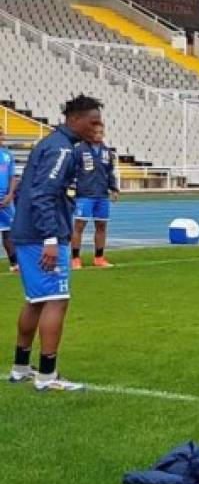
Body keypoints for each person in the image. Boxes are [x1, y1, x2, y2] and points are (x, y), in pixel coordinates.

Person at [8, 94, 103, 391]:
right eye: (93, 122)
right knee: (57, 299)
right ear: (74, 120)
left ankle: (21, 367)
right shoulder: (60, 150)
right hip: (42, 235)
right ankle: (47, 375)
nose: (98, 127)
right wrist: (50, 238)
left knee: (35, 300)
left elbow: (32, 189)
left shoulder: (56, 145)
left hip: (27, 232)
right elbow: (43, 194)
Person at [70, 124, 118, 269]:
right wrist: (71, 190)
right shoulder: (79, 150)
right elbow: (71, 171)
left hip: (102, 195)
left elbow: (109, 172)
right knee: (79, 226)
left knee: (102, 226)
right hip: (84, 195)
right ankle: (75, 259)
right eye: (95, 132)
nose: (99, 135)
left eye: (101, 132)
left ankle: (99, 257)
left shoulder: (106, 152)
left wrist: (114, 189)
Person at [0, 127, 18, 273]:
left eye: (1, 135)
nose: (2, 137)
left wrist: (10, 195)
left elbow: (13, 177)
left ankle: (14, 264)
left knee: (9, 233)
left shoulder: (7, 155)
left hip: (5, 200)